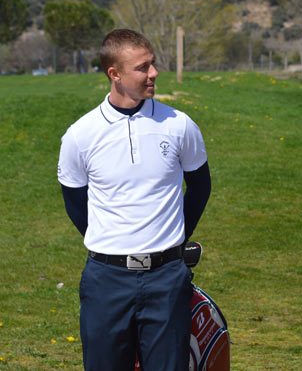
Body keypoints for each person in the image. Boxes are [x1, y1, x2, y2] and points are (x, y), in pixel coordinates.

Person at [57, 29, 211, 370]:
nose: (154, 73)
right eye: (143, 67)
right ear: (115, 74)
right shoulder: (80, 136)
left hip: (167, 279)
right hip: (105, 281)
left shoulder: (180, 125)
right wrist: (108, 238)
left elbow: (200, 186)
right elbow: (74, 200)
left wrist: (175, 238)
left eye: (153, 64)